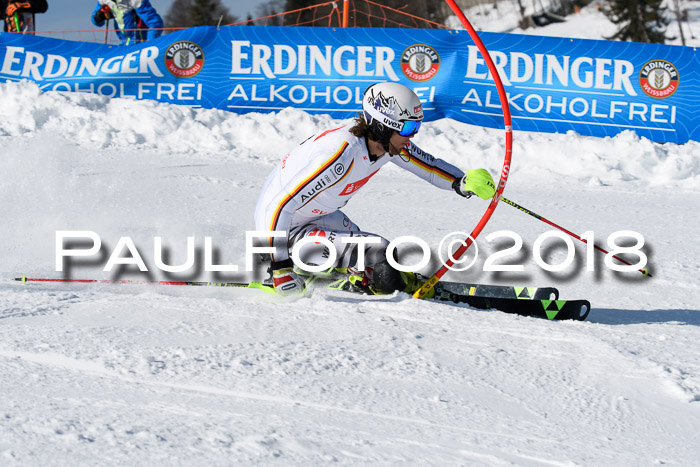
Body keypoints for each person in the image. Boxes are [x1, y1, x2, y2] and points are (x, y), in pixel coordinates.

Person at [254, 82, 497, 296]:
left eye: (416, 128)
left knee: (373, 256)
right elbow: (278, 205)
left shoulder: (386, 145)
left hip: (318, 216)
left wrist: (462, 182)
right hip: (281, 227)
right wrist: (278, 266)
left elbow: (429, 167)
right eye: (408, 129)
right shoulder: (340, 155)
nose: (411, 137)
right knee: (381, 254)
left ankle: (348, 275)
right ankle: (283, 266)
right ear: (383, 126)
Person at [90, 0, 163, 45]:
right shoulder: (104, 1)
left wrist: (150, 46)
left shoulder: (135, 1)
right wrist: (98, 18)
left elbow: (155, 23)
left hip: (140, 45)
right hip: (124, 45)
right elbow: (96, 21)